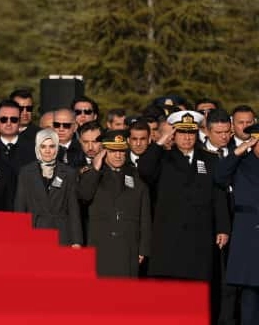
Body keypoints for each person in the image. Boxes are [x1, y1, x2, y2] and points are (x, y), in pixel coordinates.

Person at [137, 110, 231, 282]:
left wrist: (223, 228)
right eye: (182, 133)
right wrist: (161, 141)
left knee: (198, 287)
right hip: (169, 236)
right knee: (169, 288)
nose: (187, 138)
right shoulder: (162, 158)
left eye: (191, 133)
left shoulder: (210, 159)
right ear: (174, 134)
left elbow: (218, 195)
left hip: (199, 236)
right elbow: (143, 169)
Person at [76, 130, 152, 277]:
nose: (118, 155)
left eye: (121, 151)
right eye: (112, 151)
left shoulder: (135, 176)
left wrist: (143, 248)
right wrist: (95, 169)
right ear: (103, 152)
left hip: (128, 247)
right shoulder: (92, 175)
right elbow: (84, 196)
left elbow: (145, 217)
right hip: (101, 246)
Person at [215, 123, 259, 325]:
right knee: (250, 289)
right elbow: (219, 177)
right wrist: (237, 152)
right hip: (248, 229)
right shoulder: (241, 162)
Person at [14, 128, 83, 246]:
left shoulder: (69, 173)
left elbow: (73, 209)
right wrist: (19, 238)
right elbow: (20, 207)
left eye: (51, 146)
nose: (47, 151)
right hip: (34, 231)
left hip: (61, 234)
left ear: (57, 148)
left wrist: (77, 241)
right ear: (37, 148)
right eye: (43, 146)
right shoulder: (26, 172)